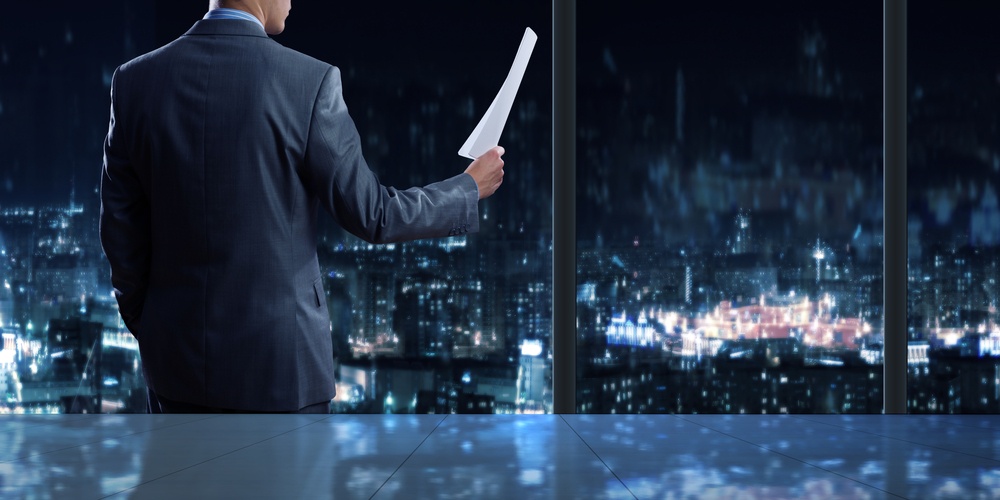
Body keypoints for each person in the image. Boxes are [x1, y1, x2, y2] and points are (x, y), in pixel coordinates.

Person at [99, 0, 506, 413]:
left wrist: (153, 328)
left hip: (175, 367)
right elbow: (375, 214)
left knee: (184, 479)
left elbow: (120, 233)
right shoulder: (309, 83)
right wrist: (467, 189)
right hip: (282, 371)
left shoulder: (136, 81)